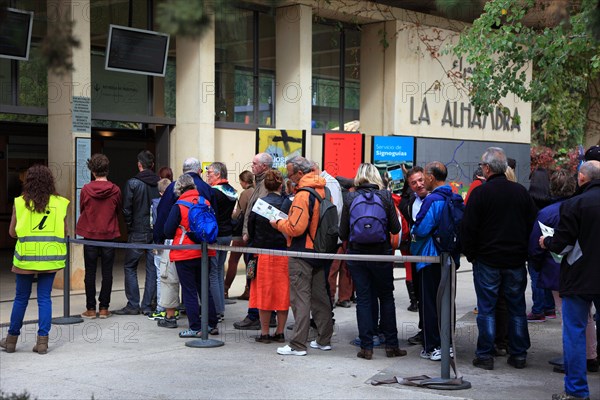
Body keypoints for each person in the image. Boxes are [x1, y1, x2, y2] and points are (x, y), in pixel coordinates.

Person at [461, 147, 536, 370]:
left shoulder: (480, 193)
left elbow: (468, 228)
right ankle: (519, 354)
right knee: (516, 307)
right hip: (514, 261)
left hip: (487, 260)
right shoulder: (520, 192)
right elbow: (533, 225)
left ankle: (485, 355)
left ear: (486, 168)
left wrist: (472, 255)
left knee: (486, 309)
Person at [540, 160, 600, 400]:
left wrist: (547, 243)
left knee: (574, 332)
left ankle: (576, 392)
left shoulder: (575, 204)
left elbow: (563, 244)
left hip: (579, 277)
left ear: (582, 179)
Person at [338, 163, 406, 360]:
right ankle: (392, 346)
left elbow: (343, 232)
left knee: (364, 300)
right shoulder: (385, 196)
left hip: (357, 256)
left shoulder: (350, 197)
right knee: (386, 297)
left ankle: (366, 347)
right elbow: (394, 228)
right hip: (381, 254)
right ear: (377, 177)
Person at [1, 165, 69, 354]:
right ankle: (42, 343)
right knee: (45, 298)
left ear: (28, 182)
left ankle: (11, 341)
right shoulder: (60, 203)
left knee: (21, 298)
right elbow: (65, 232)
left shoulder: (20, 202)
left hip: (26, 258)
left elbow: (12, 232)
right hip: (50, 257)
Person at [271, 156, 334, 356]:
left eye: (290, 174)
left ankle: (298, 344)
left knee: (300, 299)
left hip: (301, 252)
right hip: (321, 250)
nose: (289, 178)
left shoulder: (302, 195)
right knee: (320, 297)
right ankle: (324, 339)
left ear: (300, 173)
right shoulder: (325, 190)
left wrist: (277, 223)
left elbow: (295, 228)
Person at [411, 161, 463, 361]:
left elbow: (421, 229)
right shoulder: (456, 197)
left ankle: (433, 346)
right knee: (447, 301)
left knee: (430, 302)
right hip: (451, 257)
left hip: (430, 257)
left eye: (425, 176)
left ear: (432, 177)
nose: (423, 180)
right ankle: (447, 343)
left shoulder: (432, 200)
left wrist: (414, 235)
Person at [163, 174, 219, 337]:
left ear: (179, 189)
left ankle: (195, 327)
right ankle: (211, 324)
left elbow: (167, 230)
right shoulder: (205, 202)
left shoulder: (179, 205)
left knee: (189, 291)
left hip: (184, 252)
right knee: (204, 289)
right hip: (204, 250)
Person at [114, 150, 160, 316]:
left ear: (139, 164)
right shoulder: (160, 183)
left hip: (137, 231)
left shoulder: (133, 183)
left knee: (130, 266)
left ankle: (133, 304)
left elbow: (126, 209)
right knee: (152, 268)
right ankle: (147, 305)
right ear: (152, 165)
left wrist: (129, 226)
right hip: (155, 231)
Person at [76, 154, 122, 319]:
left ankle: (90, 308)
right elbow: (118, 210)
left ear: (93, 171)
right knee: (107, 273)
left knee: (90, 273)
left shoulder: (86, 189)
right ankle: (104, 308)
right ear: (106, 169)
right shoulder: (115, 189)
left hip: (90, 235)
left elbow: (82, 209)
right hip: (109, 234)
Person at [248, 169, 290, 343]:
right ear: (281, 185)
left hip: (262, 253)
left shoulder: (259, 204)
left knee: (264, 293)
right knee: (282, 293)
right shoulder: (288, 203)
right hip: (284, 254)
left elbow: (250, 228)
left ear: (265, 185)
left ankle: (264, 332)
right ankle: (280, 332)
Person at [233, 153, 273, 330]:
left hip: (257, 242)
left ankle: (255, 315)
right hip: (256, 239)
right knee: (257, 278)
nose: (252, 166)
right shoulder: (259, 182)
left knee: (254, 278)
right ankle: (266, 314)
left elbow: (261, 212)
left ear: (265, 166)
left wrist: (249, 232)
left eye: (255, 163)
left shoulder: (266, 184)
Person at [399, 166, 429, 345]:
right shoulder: (410, 202)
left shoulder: (438, 198)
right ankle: (424, 330)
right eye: (413, 183)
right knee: (421, 296)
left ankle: (440, 335)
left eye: (420, 180)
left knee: (439, 299)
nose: (418, 185)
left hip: (436, 257)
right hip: (418, 256)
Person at [206, 162, 238, 321]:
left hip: (216, 234)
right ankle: (221, 308)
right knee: (219, 271)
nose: (207, 175)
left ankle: (217, 310)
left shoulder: (213, 192)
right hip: (227, 234)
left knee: (213, 272)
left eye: (210, 172)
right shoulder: (231, 190)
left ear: (218, 174)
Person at [148, 177, 179, 322]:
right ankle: (174, 307)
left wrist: (156, 242)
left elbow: (154, 223)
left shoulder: (156, 204)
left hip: (162, 243)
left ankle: (162, 307)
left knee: (162, 277)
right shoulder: (177, 203)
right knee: (175, 277)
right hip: (177, 242)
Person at [225, 170, 255, 298]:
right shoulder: (256, 191)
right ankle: (249, 288)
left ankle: (225, 289)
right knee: (249, 262)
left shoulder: (245, 194)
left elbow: (238, 215)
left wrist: (230, 214)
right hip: (252, 232)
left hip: (240, 232)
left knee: (233, 261)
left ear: (243, 181)